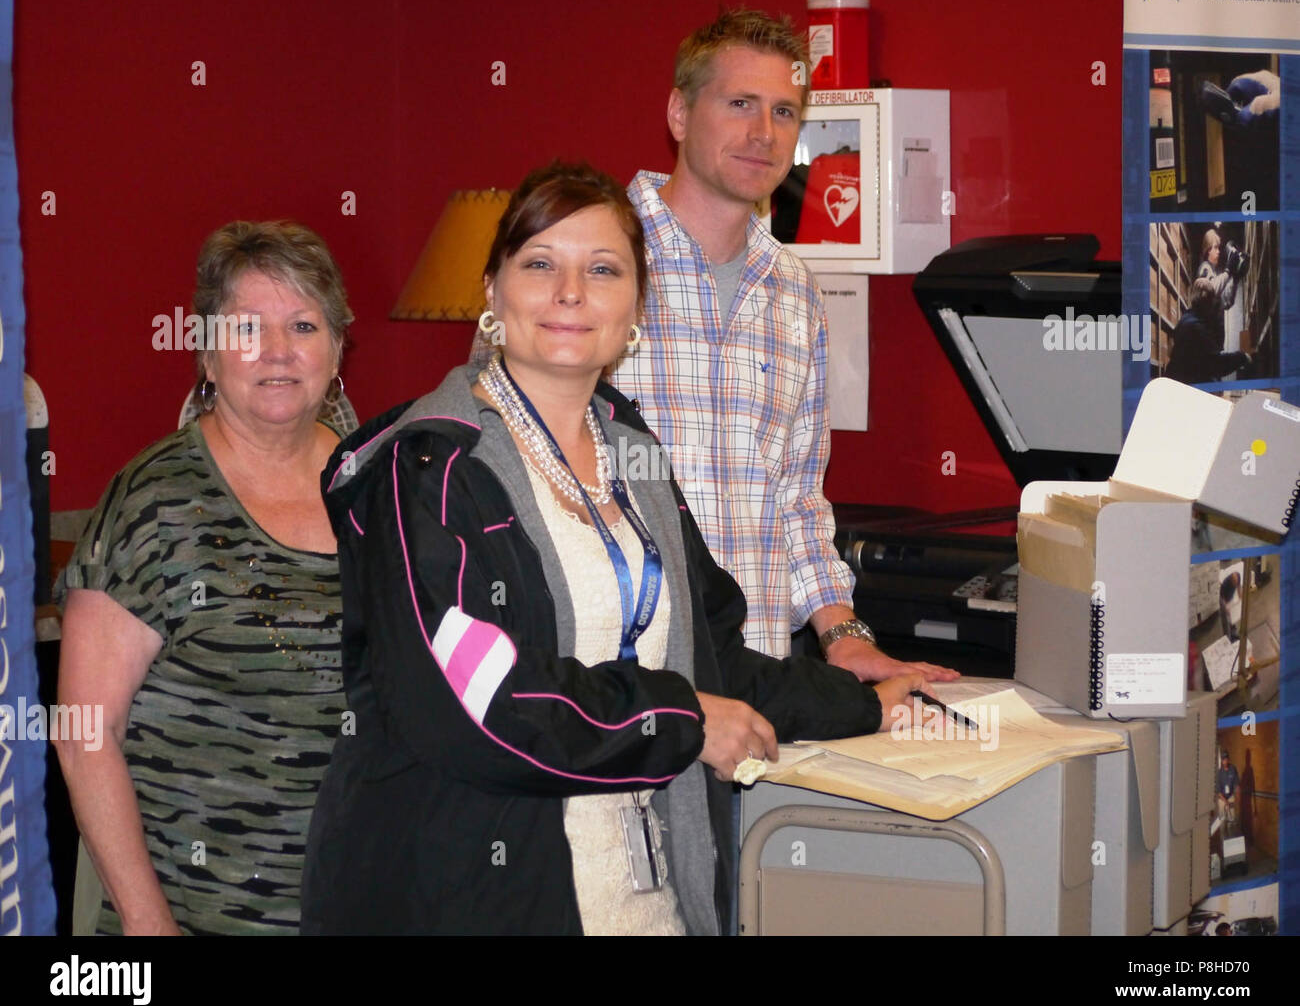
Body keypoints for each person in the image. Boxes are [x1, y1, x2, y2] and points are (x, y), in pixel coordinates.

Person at [300, 163, 929, 936]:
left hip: (639, 902)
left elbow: (709, 654)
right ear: (492, 292)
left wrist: (868, 704)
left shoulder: (633, 456)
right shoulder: (426, 467)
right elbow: (479, 708)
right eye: (540, 264)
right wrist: (684, 718)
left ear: (636, 306)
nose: (571, 292)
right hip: (470, 894)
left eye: (603, 269)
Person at [609, 9, 957, 683]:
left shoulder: (795, 289)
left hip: (759, 683)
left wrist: (845, 635)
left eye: (785, 112)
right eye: (740, 104)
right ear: (679, 113)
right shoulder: (592, 259)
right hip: (626, 681)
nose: (763, 134)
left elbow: (798, 498)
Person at [54, 221, 351, 935]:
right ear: (207, 354)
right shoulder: (155, 500)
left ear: (338, 346)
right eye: (249, 327)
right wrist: (146, 919)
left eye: (304, 324)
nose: (279, 351)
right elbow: (84, 732)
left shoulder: (376, 483)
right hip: (192, 915)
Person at [1166, 278, 1253, 384]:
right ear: (1208, 302)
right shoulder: (1196, 327)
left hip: (1176, 382)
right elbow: (1215, 364)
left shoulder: (1186, 319)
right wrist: (1242, 357)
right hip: (1183, 388)